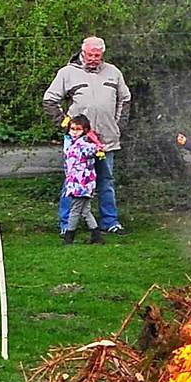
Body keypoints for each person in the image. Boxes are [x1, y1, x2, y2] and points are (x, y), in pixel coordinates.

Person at [42, 37, 133, 235]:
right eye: (90, 55)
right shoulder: (67, 73)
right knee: (73, 181)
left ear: (102, 55)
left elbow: (125, 99)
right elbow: (49, 101)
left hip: (106, 141)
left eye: (97, 55)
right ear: (83, 52)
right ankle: (67, 224)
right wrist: (67, 126)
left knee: (106, 182)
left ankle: (110, 222)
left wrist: (118, 126)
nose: (93, 59)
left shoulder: (113, 72)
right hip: (79, 143)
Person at [60, 114, 106, 245]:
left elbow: (95, 148)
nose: (74, 132)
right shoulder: (72, 143)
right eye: (72, 129)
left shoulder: (84, 145)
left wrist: (98, 148)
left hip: (82, 184)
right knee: (85, 211)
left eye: (78, 129)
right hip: (76, 183)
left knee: (75, 210)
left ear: (85, 130)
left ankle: (69, 237)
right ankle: (96, 236)